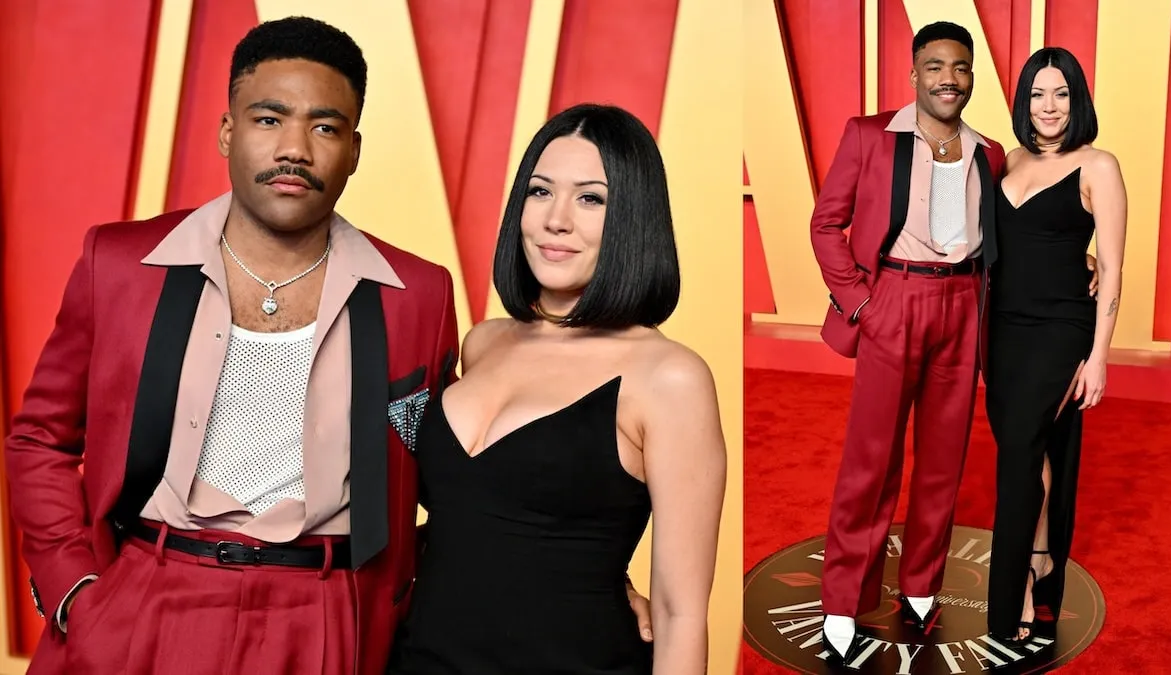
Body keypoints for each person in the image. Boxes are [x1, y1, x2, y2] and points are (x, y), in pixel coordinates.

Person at [1, 17, 654, 675]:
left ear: (353, 149)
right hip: (146, 596)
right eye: (267, 119)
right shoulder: (119, 263)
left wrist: (583, 577)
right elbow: (39, 439)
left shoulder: (415, 294)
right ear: (228, 131)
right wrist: (75, 591)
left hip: (323, 616)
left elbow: (457, 474)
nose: (294, 148)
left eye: (323, 127)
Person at [388, 103, 726, 674]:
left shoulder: (668, 377)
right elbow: (486, 514)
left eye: (591, 198)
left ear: (633, 219)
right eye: (540, 192)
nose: (556, 220)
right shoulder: (484, 342)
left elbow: (678, 612)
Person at [808, 22, 1007, 664]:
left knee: (945, 459)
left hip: (963, 304)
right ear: (914, 73)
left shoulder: (989, 152)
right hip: (893, 298)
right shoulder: (871, 135)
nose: (949, 78)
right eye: (935, 66)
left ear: (971, 77)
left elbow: (1011, 236)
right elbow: (826, 222)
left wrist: (1080, 261)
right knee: (872, 460)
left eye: (960, 68)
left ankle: (922, 587)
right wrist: (861, 302)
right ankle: (843, 600)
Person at [985, 46, 1124, 644]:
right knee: (1033, 452)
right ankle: (1041, 554)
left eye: (1061, 93)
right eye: (1039, 93)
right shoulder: (1008, 158)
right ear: (1024, 101)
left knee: (1017, 453)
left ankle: (1012, 586)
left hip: (1062, 331)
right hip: (1003, 329)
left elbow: (1114, 270)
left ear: (1078, 101)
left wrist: (1098, 358)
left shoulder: (1099, 166)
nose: (1049, 106)